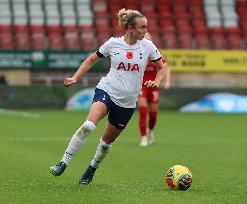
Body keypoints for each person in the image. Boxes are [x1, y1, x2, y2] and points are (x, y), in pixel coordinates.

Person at [49, 8, 166, 185]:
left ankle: (91, 168)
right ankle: (63, 162)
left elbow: (161, 68)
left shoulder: (148, 47)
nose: (145, 31)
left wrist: (157, 81)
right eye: (142, 27)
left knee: (105, 143)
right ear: (130, 28)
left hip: (127, 102)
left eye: (146, 27)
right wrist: (75, 77)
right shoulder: (113, 43)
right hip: (107, 91)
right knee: (88, 126)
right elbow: (90, 60)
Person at [138, 33, 171, 146]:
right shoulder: (136, 53)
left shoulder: (157, 54)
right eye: (143, 38)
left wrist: (166, 82)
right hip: (141, 87)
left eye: (148, 38)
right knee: (143, 111)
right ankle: (143, 138)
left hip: (153, 87)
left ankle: (150, 131)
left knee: (153, 115)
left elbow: (165, 68)